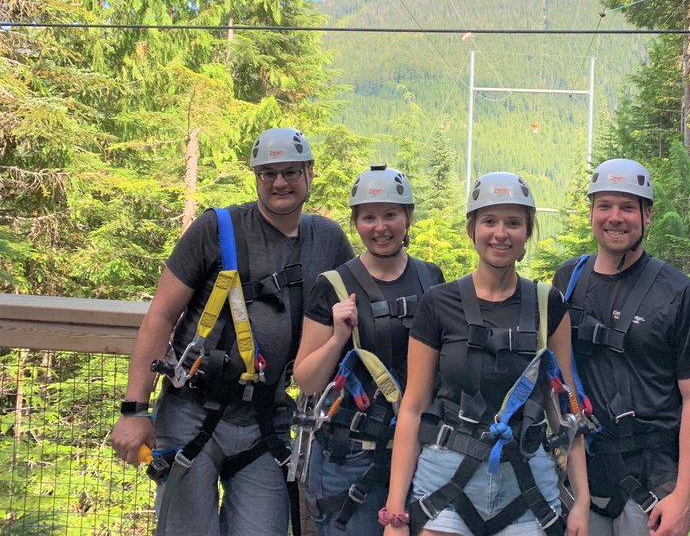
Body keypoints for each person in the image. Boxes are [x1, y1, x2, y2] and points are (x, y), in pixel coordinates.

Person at [110, 127, 355, 536]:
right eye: (268, 172)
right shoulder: (215, 229)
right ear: (256, 176)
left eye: (291, 171)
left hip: (266, 418)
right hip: (192, 410)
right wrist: (135, 410)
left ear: (309, 173)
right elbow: (160, 317)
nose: (279, 182)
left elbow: (363, 293)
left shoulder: (326, 240)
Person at [383, 171, 590, 536]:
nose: (500, 233)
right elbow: (413, 406)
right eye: (489, 221)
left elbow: (565, 406)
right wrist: (396, 510)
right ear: (472, 229)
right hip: (445, 475)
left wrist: (581, 502)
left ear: (527, 233)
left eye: (513, 223)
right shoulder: (438, 305)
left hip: (526, 481)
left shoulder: (548, 305)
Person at [552, 159, 690, 536]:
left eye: (628, 207)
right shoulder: (569, 279)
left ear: (647, 215)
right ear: (591, 211)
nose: (615, 217)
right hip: (586, 472)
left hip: (653, 477)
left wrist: (685, 497)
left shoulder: (679, 294)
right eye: (605, 206)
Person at [293, 164, 445, 535]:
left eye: (391, 215)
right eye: (369, 217)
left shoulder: (432, 279)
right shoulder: (334, 285)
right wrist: (337, 338)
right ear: (356, 222)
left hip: (421, 453)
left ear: (408, 217)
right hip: (351, 455)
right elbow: (307, 380)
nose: (381, 227)